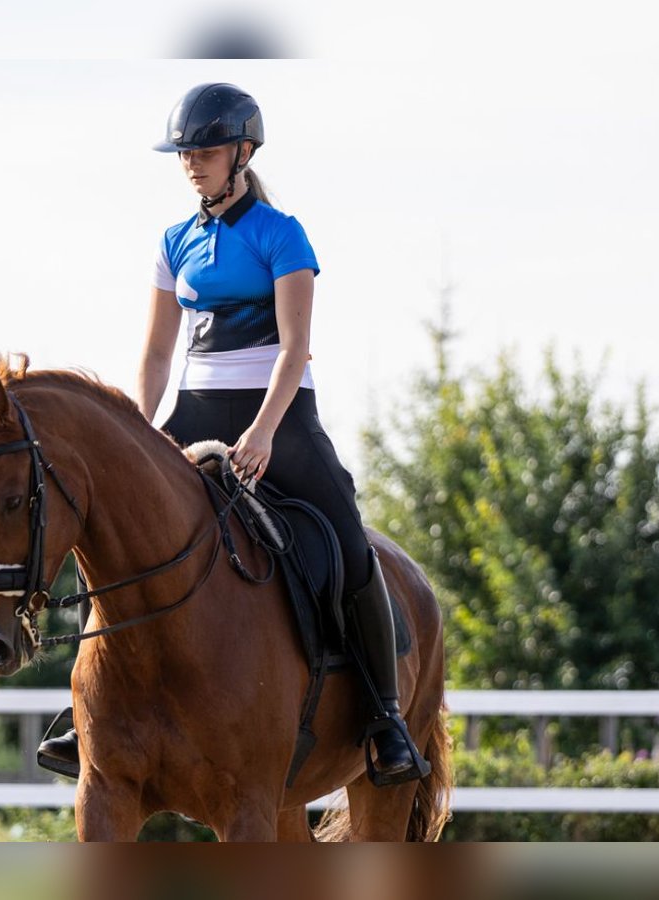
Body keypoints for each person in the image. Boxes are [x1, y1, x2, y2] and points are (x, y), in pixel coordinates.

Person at [38, 82, 430, 786]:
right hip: (193, 407)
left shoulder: (283, 235)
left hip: (278, 414)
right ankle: (86, 713)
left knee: (345, 540)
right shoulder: (172, 241)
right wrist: (140, 429)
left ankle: (384, 717)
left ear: (242, 152)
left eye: (207, 150)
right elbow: (160, 352)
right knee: (122, 531)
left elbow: (294, 348)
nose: (193, 162)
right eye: (185, 152)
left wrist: (264, 433)